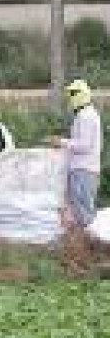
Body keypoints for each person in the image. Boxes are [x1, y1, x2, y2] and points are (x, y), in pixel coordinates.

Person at [49, 80, 103, 229]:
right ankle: (86, 245)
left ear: (82, 94)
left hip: (84, 170)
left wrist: (61, 142)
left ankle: (91, 245)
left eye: (73, 93)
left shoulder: (86, 116)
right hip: (83, 169)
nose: (70, 97)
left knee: (83, 211)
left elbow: (84, 145)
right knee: (80, 210)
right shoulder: (85, 114)